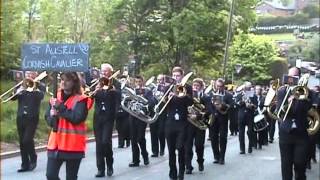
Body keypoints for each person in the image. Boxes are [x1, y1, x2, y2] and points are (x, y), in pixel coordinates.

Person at [45, 72, 92, 180]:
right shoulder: (55, 96)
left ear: (74, 82)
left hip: (73, 145)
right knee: (50, 175)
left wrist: (60, 108)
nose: (63, 82)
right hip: (55, 144)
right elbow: (47, 117)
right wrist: (52, 117)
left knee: (71, 177)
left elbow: (77, 118)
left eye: (67, 80)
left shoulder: (81, 99)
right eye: (62, 80)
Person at [277, 67, 317, 180]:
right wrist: (289, 101)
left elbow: (311, 110)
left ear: (298, 78)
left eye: (293, 77)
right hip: (286, 133)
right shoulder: (282, 91)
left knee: (300, 163)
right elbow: (280, 111)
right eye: (289, 76)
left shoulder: (309, 93)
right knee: (286, 164)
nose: (290, 79)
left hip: (301, 133)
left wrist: (301, 98)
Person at [12, 71, 45, 172]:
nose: (29, 76)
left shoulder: (40, 85)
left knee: (27, 139)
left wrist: (34, 88)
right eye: (27, 74)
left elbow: (41, 97)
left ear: (36, 74)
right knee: (22, 141)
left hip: (32, 117)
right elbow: (13, 98)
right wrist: (19, 90)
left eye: (32, 74)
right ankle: (24, 164)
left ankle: (33, 158)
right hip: (21, 116)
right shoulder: (21, 85)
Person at [165, 66, 193, 180]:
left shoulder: (188, 87)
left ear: (182, 76)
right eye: (174, 75)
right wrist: (167, 97)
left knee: (180, 148)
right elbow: (162, 103)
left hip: (182, 122)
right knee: (171, 150)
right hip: (170, 122)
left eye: (178, 75)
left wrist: (181, 94)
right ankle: (172, 172)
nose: (176, 77)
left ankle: (181, 172)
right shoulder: (168, 87)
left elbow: (190, 102)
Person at [92, 63, 118, 177]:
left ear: (110, 72)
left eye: (106, 71)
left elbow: (120, 96)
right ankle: (100, 169)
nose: (103, 73)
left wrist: (113, 90)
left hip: (109, 117)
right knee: (98, 144)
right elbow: (90, 96)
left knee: (105, 142)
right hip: (98, 117)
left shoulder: (115, 83)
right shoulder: (97, 83)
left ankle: (110, 165)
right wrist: (96, 90)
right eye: (102, 71)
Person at [185, 78, 212, 174]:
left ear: (201, 87)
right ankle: (188, 166)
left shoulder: (206, 97)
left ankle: (200, 161)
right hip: (189, 124)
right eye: (194, 85)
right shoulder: (188, 97)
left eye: (197, 86)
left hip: (200, 124)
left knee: (199, 145)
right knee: (187, 146)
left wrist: (197, 115)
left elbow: (209, 111)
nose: (195, 87)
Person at [128, 75, 155, 167]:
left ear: (142, 82)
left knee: (140, 138)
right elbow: (127, 101)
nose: (138, 84)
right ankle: (135, 160)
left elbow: (151, 102)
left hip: (142, 117)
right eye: (136, 82)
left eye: (139, 82)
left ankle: (145, 156)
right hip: (132, 116)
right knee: (133, 139)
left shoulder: (147, 91)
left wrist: (144, 107)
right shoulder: (132, 91)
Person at [210, 78, 233, 164]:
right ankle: (216, 156)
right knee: (213, 138)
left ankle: (222, 157)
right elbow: (208, 106)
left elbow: (231, 106)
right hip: (213, 118)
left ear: (224, 86)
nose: (219, 88)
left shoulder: (228, 95)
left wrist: (223, 106)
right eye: (217, 86)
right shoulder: (211, 94)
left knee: (223, 137)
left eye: (221, 86)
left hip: (223, 118)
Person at [236, 81, 258, 154]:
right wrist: (242, 101)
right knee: (241, 133)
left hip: (250, 115)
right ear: (244, 87)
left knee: (250, 132)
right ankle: (242, 149)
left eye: (249, 88)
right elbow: (236, 104)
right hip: (241, 116)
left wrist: (251, 105)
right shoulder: (239, 95)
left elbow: (256, 106)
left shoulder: (254, 95)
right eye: (247, 88)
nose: (248, 89)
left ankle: (250, 147)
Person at [149, 74, 166, 157]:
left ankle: (162, 149)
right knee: (153, 132)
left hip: (162, 113)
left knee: (161, 132)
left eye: (161, 80)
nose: (159, 81)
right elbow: (149, 99)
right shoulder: (153, 89)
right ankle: (155, 151)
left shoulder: (166, 89)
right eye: (158, 80)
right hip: (153, 112)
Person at [116, 75, 131, 148]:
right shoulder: (117, 88)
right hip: (118, 110)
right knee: (119, 127)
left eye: (123, 80)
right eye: (120, 80)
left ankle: (128, 140)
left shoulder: (128, 89)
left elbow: (131, 98)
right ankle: (120, 143)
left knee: (126, 127)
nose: (122, 82)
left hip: (126, 110)